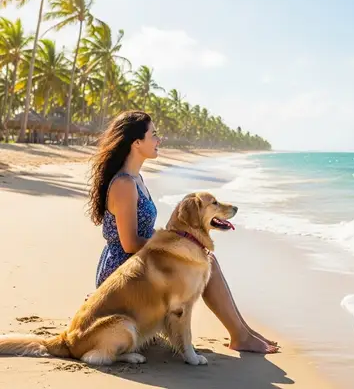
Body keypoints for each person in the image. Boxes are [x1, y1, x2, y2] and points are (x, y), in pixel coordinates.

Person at [87, 110, 278, 354]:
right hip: (125, 272)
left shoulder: (137, 178)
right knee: (201, 258)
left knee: (204, 257)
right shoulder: (124, 184)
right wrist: (178, 246)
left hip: (146, 262)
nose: (158, 140)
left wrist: (181, 242)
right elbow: (129, 243)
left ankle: (243, 331)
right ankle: (240, 335)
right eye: (153, 135)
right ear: (136, 143)